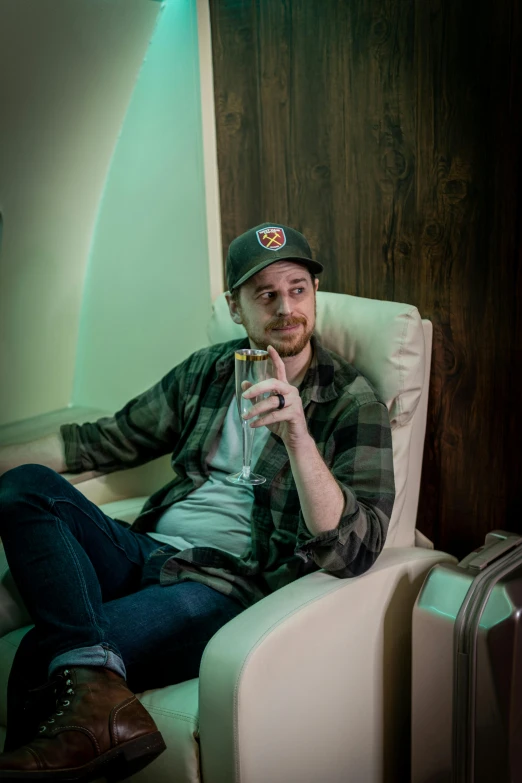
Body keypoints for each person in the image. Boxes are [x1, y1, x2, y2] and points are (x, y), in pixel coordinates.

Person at [0, 222, 395, 782]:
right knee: (25, 486)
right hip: (145, 549)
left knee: (43, 654)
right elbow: (103, 439)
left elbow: (355, 549)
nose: (286, 308)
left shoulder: (352, 402)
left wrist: (298, 437)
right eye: (266, 294)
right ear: (236, 308)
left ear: (313, 293)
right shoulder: (207, 372)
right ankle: (97, 696)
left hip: (223, 584)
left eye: (298, 288)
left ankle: (83, 694)